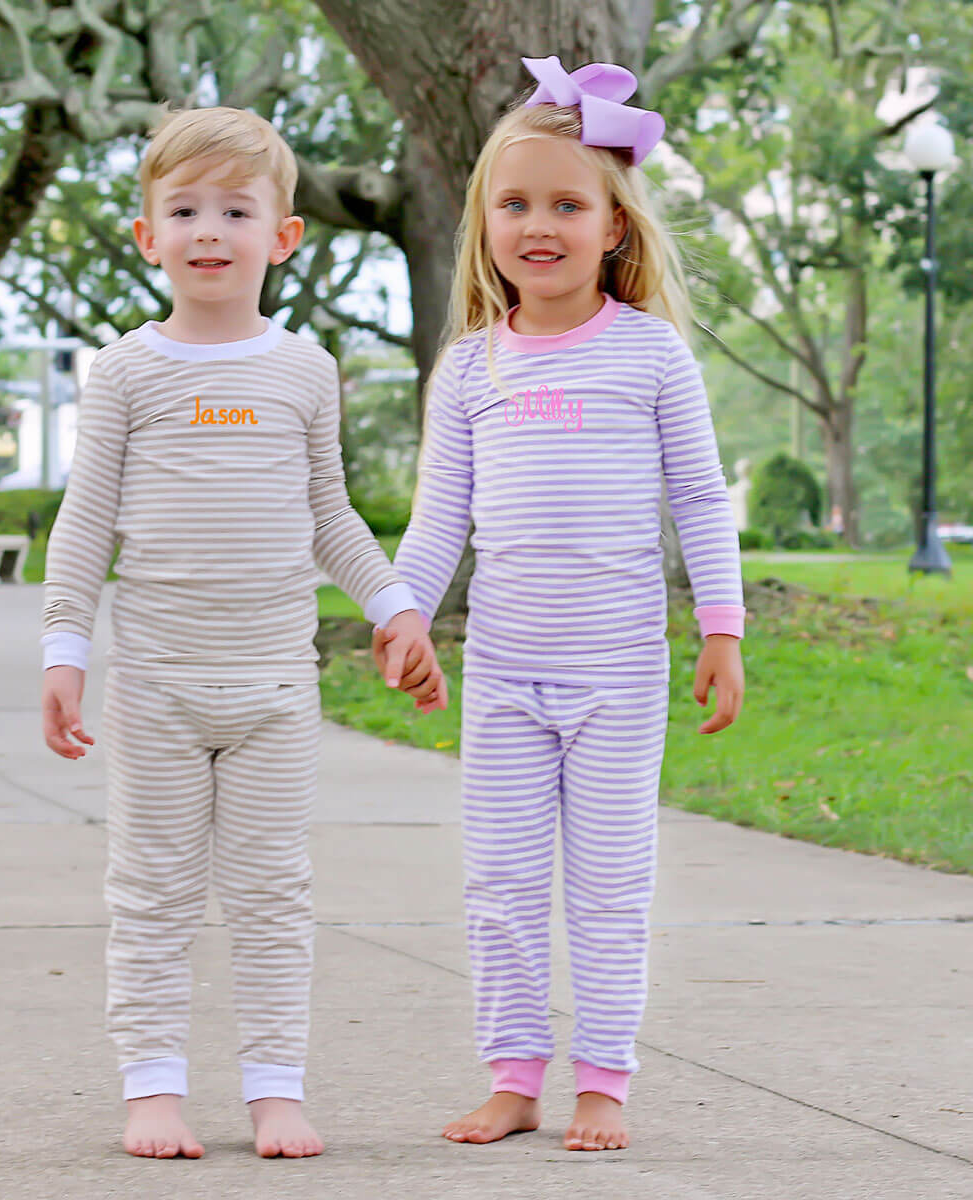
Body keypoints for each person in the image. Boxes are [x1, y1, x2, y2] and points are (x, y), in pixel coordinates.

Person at [39, 105, 441, 1161]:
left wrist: (395, 605)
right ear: (147, 237)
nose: (208, 230)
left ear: (284, 236)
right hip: (159, 686)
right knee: (153, 892)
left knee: (272, 895)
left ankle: (274, 1088)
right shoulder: (126, 372)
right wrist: (64, 649)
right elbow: (85, 522)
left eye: (234, 208)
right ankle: (154, 1088)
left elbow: (329, 516)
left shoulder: (304, 370)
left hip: (274, 689)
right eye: (183, 210)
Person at [375, 57, 746, 1152]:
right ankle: (513, 1074)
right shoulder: (470, 370)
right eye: (516, 202)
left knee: (609, 888)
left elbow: (702, 504)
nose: (540, 225)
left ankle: (603, 1083)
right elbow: (439, 520)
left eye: (568, 204)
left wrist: (722, 631)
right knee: (498, 885)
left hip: (619, 677)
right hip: (502, 675)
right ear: (485, 219)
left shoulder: (651, 356)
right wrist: (404, 614)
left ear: (615, 228)